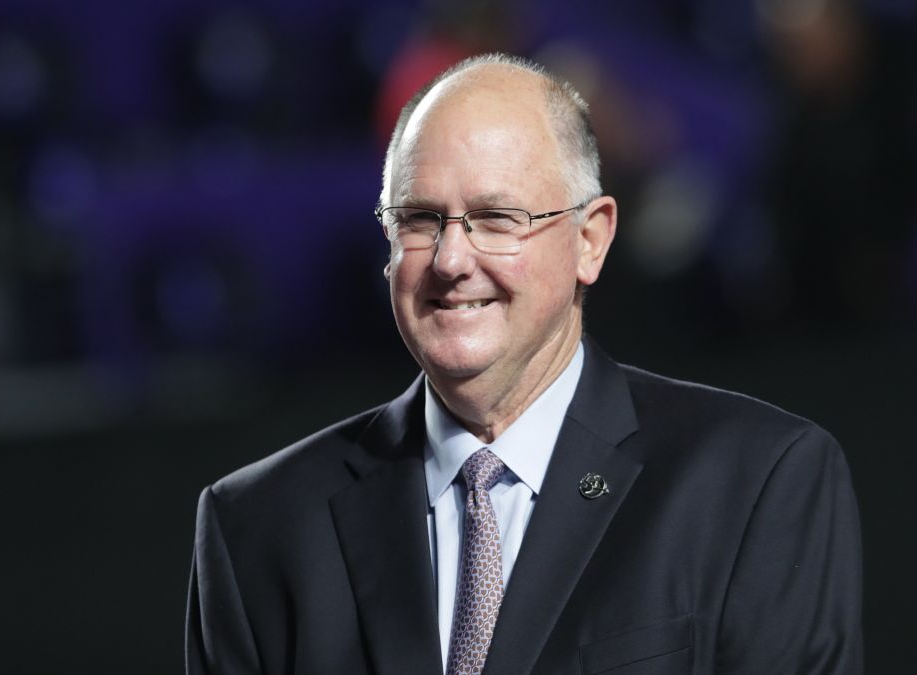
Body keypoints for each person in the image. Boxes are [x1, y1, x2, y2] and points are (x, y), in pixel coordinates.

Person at [186, 53, 863, 674]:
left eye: (496, 217)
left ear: (590, 241)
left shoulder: (756, 482)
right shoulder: (257, 525)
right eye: (421, 219)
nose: (451, 260)